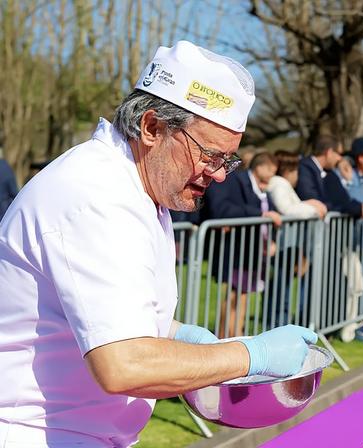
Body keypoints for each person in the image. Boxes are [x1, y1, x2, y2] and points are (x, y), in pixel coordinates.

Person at [0, 41, 318, 446]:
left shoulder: (137, 189)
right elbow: (124, 363)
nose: (219, 175)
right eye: (210, 155)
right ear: (152, 128)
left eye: (228, 161)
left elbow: (97, 310)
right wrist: (252, 356)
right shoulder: (97, 197)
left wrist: (178, 334)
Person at [202, 150, 283, 338]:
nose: (272, 173)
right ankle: (228, 336)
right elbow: (222, 208)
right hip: (235, 250)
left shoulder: (259, 188)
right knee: (234, 296)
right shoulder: (234, 179)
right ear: (260, 166)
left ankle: (234, 335)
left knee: (242, 295)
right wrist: (258, 214)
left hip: (249, 251)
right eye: (270, 168)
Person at [297, 135, 363, 219]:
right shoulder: (305, 168)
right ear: (329, 152)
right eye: (339, 154)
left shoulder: (329, 172)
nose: (340, 158)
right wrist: (358, 209)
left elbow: (343, 199)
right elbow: (312, 199)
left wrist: (360, 208)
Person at [267, 151, 327, 219]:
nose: (298, 175)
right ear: (287, 171)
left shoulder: (281, 184)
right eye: (296, 170)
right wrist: (314, 210)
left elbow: (291, 205)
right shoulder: (279, 184)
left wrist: (308, 203)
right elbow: (286, 209)